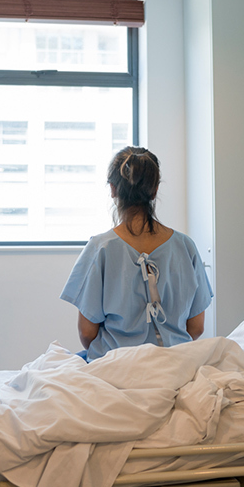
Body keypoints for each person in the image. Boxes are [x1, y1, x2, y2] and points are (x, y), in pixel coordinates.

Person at [60, 146, 213, 361]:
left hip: (117, 365)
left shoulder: (99, 248)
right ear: (155, 190)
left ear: (113, 189)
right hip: (175, 364)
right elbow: (196, 328)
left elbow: (87, 333)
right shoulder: (186, 246)